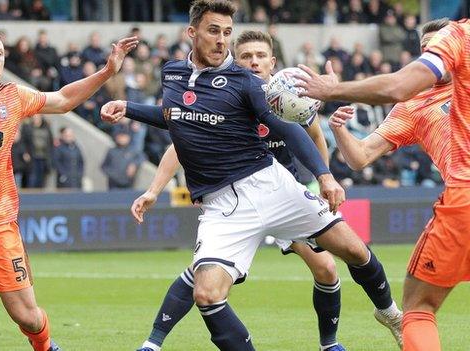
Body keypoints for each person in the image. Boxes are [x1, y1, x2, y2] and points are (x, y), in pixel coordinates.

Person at [101, 1, 402, 349]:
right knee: (207, 293)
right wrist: (129, 109)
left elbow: (290, 130)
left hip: (270, 185)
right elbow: (174, 115)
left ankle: (390, 313)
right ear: (192, 32)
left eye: (227, 32)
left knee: (353, 251)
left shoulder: (245, 81)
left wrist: (325, 176)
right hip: (221, 205)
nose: (221, 40)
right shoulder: (171, 73)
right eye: (214, 31)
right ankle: (157, 341)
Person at [0, 28, 137, 351]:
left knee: (28, 317)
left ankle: (46, 347)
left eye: (0, 53)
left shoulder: (13, 95)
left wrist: (106, 72)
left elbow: (61, 101)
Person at [126, 29, 346, 351]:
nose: (253, 62)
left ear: (273, 63)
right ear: (237, 62)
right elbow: (178, 142)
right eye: (246, 57)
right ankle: (153, 342)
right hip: (237, 200)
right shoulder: (228, 97)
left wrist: (318, 179)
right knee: (202, 276)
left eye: (260, 57)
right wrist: (154, 190)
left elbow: (313, 136)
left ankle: (330, 344)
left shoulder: (288, 101)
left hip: (284, 197)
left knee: (326, 267)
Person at [296, 18, 461, 351]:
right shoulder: (412, 107)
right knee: (417, 307)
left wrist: (332, 88)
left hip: (462, 199)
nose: (432, 51)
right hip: (462, 198)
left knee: (418, 308)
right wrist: (341, 130)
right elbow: (360, 158)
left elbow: (394, 85)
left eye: (438, 45)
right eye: (425, 48)